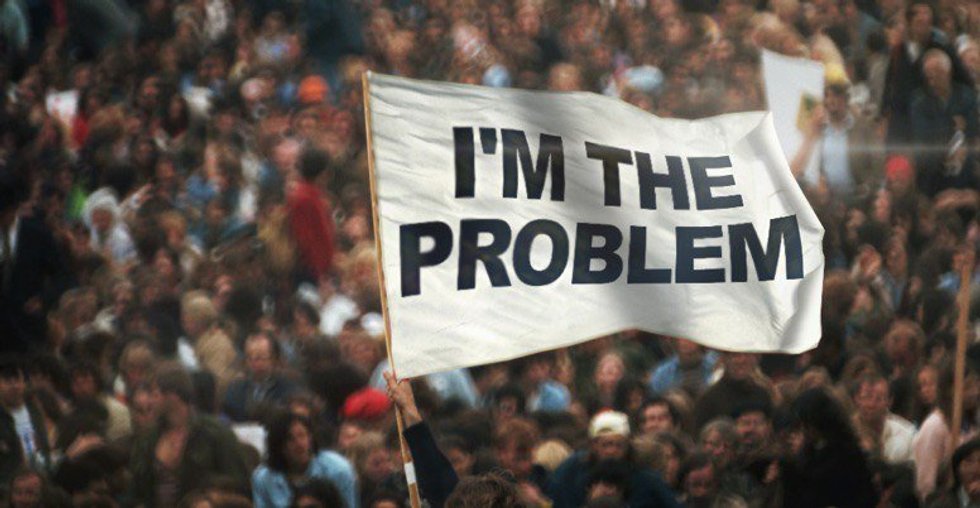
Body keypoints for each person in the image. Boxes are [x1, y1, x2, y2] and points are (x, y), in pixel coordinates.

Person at [128, 362, 251, 507]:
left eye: (155, 394)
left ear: (173, 396)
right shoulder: (149, 438)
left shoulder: (215, 433)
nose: (151, 401)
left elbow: (239, 484)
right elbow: (137, 488)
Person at [547, 410, 680, 508]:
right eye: (606, 445)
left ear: (627, 446)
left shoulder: (646, 480)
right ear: (593, 445)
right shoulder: (572, 471)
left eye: (618, 445)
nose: (611, 451)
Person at [782, 388, 879, 508]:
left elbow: (864, 495)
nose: (804, 430)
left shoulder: (848, 454)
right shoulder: (809, 452)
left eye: (807, 424)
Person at [252, 411, 358, 508]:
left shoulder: (338, 470)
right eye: (290, 439)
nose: (299, 444)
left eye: (302, 435)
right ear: (278, 445)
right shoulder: (263, 478)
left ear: (310, 437)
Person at [222, 332, 300, 422]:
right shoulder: (235, 389)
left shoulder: (289, 390)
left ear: (274, 359)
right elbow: (226, 417)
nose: (254, 363)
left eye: (260, 357)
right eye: (249, 357)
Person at [288, 147, 336, 283]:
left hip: (318, 269)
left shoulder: (312, 195)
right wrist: (320, 273)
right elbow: (307, 240)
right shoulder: (304, 198)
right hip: (311, 271)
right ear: (323, 173)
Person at [0, 357, 50, 487]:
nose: (14, 386)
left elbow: (44, 448)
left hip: (39, 477)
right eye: (7, 381)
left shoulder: (34, 411)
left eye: (17, 380)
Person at [850, 374, 916, 464]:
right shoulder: (844, 433)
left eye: (879, 399)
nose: (871, 404)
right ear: (856, 399)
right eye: (866, 397)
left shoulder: (908, 435)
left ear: (889, 401)